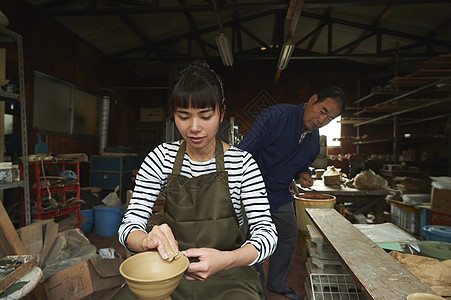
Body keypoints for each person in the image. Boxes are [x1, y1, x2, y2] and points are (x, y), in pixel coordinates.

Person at [117, 61, 278, 300]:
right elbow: (128, 227)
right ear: (173, 115)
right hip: (169, 270)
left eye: (205, 116)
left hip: (228, 275)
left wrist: (226, 259)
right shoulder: (160, 158)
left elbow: (267, 235)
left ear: (221, 113)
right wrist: (148, 240)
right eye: (184, 116)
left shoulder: (243, 164)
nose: (194, 127)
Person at [238, 86, 346, 300]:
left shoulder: (314, 142)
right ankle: (253, 287)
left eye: (330, 119)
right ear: (313, 100)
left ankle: (276, 283)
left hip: (279, 193)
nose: (322, 120)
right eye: (322, 111)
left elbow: (301, 165)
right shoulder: (275, 116)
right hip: (249, 189)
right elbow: (242, 153)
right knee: (242, 238)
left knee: (287, 235)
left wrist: (303, 174)